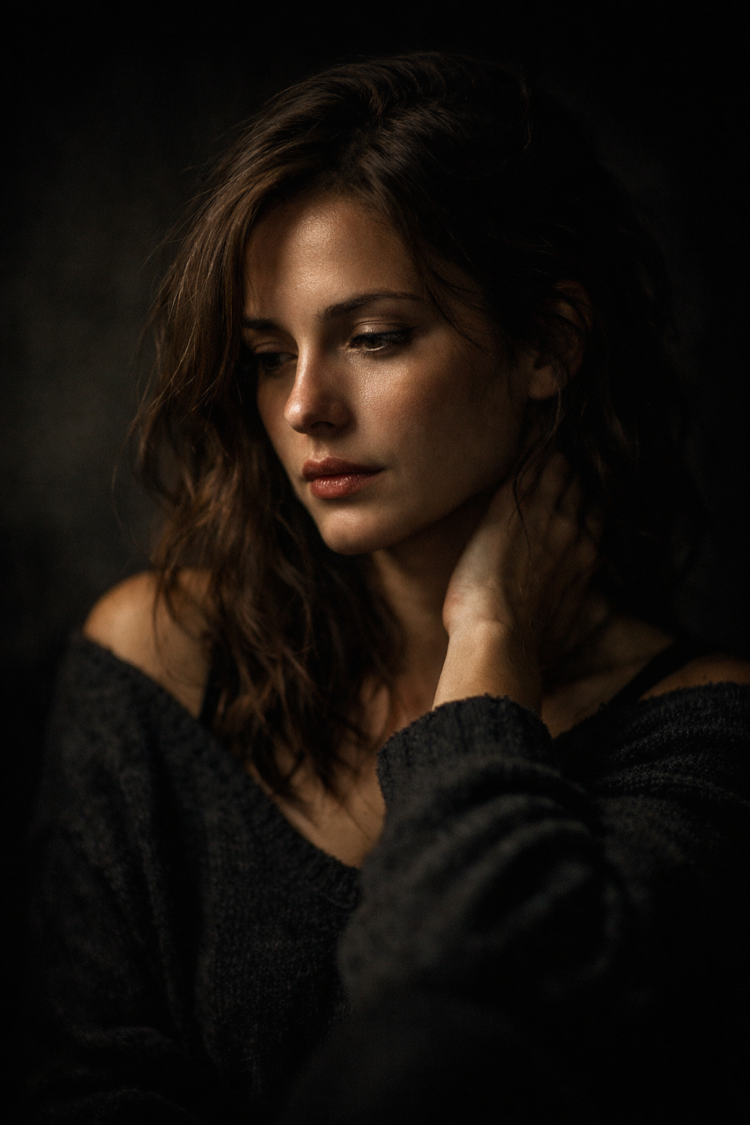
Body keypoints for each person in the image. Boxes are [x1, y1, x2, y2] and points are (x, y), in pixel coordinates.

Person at [26, 52, 749, 1124]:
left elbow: (458, 1036)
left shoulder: (705, 734)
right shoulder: (160, 662)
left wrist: (489, 651)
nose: (307, 407)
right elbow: (80, 1087)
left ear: (546, 345)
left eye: (373, 338)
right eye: (271, 355)